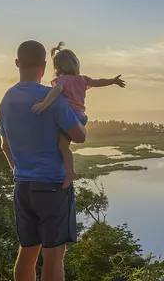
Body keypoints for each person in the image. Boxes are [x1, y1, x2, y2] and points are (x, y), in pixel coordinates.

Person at [0, 40, 87, 281]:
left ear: (16, 63)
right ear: (44, 67)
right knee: (54, 256)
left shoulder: (6, 100)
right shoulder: (53, 97)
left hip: (23, 187)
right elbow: (79, 135)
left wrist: (18, 170)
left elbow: (5, 145)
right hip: (52, 187)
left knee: (27, 252)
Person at [32, 42, 126, 186]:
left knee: (62, 147)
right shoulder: (82, 80)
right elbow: (98, 82)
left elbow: (55, 91)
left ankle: (70, 172)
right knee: (62, 145)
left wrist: (44, 104)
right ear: (76, 64)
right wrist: (113, 81)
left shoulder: (62, 81)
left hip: (71, 117)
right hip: (81, 117)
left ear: (57, 67)